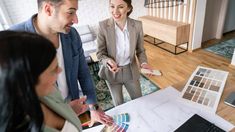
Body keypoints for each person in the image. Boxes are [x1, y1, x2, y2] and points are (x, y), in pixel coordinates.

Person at [10, 0, 113, 126]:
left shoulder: (72, 34)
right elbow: (13, 104)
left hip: (72, 107)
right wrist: (63, 111)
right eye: (70, 13)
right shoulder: (13, 41)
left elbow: (83, 71)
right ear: (48, 9)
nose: (76, 20)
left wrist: (93, 107)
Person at [0, 31, 86, 131]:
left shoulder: (48, 90)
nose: (60, 71)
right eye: (53, 70)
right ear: (26, 82)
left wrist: (68, 111)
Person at [97, 0, 153, 106]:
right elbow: (100, 53)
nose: (115, 11)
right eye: (112, 6)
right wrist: (108, 61)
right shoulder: (103, 26)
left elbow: (140, 50)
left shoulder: (137, 25)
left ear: (128, 8)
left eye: (120, 7)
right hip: (112, 72)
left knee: (139, 101)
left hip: (130, 71)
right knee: (119, 104)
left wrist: (144, 63)